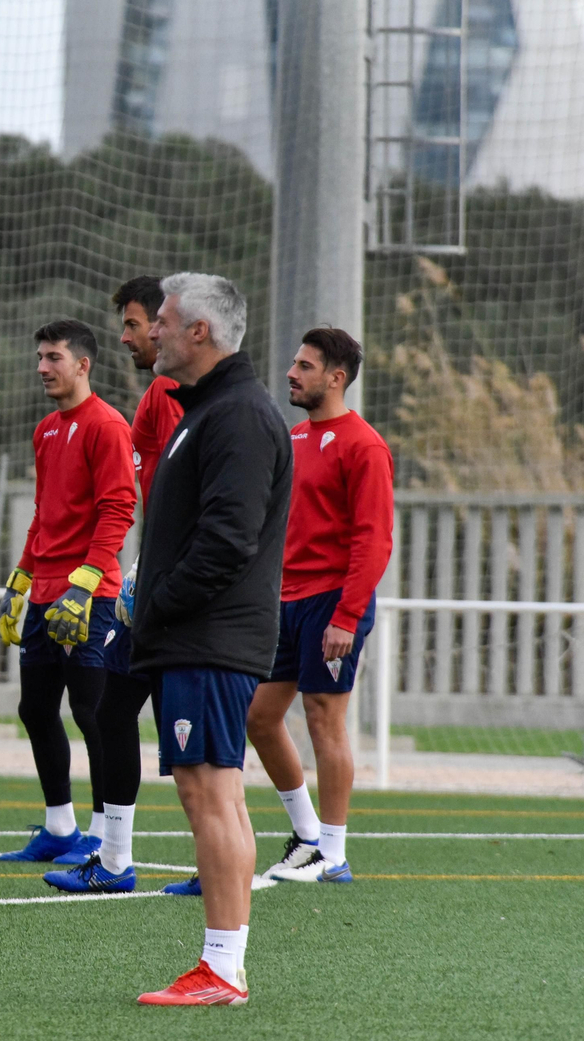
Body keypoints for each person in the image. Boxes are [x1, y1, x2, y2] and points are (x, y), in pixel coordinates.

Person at [130, 273, 291, 1006]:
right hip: (193, 636)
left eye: (162, 320)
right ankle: (223, 965)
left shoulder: (237, 415)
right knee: (210, 794)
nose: (152, 330)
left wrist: (158, 603)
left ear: (200, 332)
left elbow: (229, 538)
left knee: (212, 794)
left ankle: (223, 970)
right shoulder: (205, 409)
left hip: (209, 636)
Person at [39, 276, 186, 893]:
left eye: (133, 324)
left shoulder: (188, 400)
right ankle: (111, 857)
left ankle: (303, 841)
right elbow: (154, 495)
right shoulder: (154, 397)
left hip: (185, 593)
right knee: (109, 709)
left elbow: (133, 503)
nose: (128, 336)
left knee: (196, 734)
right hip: (147, 585)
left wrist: (98, 575)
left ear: (166, 324)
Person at [247, 327, 393, 884]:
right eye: (294, 362)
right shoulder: (293, 439)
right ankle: (308, 836)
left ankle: (333, 854)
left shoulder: (364, 445)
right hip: (283, 601)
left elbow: (374, 540)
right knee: (259, 717)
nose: (291, 372)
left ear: (336, 378)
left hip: (333, 603)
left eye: (305, 366)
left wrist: (347, 617)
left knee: (324, 720)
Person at [0, 320, 136, 882]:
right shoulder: (47, 429)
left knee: (92, 714)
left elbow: (118, 509)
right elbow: (44, 513)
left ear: (83, 364)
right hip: (48, 594)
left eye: (53, 357)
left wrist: (85, 581)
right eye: (39, 357)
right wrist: (21, 579)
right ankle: (60, 830)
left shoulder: (107, 425)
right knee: (35, 709)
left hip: (89, 596)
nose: (42, 367)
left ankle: (103, 837)